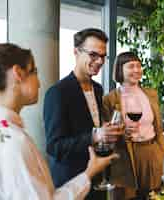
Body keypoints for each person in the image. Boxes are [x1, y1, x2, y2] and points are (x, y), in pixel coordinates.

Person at [0, 43, 118, 199]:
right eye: (35, 72)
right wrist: (88, 172)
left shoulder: (10, 134)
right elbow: (55, 146)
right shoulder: (13, 141)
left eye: (103, 56)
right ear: (18, 73)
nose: (39, 83)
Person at [43, 28, 124, 199]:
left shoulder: (97, 89)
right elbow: (54, 147)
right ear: (76, 52)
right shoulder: (58, 92)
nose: (100, 61)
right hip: (71, 183)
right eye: (93, 54)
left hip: (98, 178)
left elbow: (91, 126)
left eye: (103, 56)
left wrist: (105, 131)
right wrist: (95, 135)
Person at [103, 52, 164, 199]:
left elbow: (158, 125)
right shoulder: (109, 99)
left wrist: (161, 150)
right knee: (127, 196)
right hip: (125, 154)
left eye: (138, 66)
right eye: (131, 66)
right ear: (120, 69)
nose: (136, 70)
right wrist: (121, 133)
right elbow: (107, 130)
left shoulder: (151, 94)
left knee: (153, 196)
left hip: (150, 152)